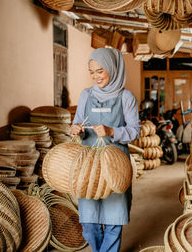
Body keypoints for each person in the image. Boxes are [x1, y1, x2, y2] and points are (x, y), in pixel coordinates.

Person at [71, 48, 140, 252]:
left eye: (100, 71)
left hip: (115, 165)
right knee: (89, 221)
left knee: (113, 218)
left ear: (112, 68)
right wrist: (76, 130)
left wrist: (111, 131)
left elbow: (135, 131)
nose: (95, 76)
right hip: (89, 165)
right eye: (92, 72)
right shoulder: (86, 95)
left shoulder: (126, 97)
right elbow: (77, 125)